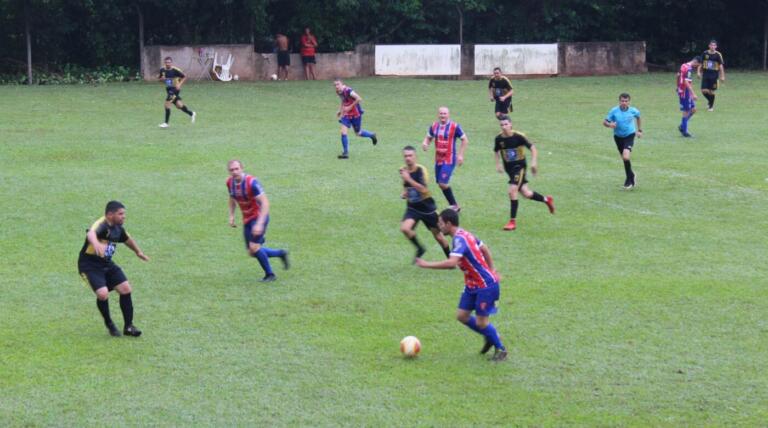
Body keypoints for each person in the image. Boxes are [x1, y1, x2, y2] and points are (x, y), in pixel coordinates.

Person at [415, 209, 508, 362]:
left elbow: (451, 264)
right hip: (472, 284)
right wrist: (492, 268)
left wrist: (426, 264)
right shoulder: (465, 234)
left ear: (448, 223)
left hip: (485, 286)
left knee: (481, 322)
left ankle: (500, 348)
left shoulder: (459, 240)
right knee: (462, 316)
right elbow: (484, 248)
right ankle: (489, 336)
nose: (439, 227)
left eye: (440, 224)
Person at [78, 201, 149, 337]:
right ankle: (109, 323)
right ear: (110, 215)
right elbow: (91, 233)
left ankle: (128, 326)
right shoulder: (101, 224)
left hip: (106, 263)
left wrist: (138, 252)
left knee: (126, 289)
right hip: (89, 265)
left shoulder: (117, 227)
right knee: (103, 294)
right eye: (120, 214)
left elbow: (127, 239)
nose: (124, 217)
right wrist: (95, 244)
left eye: (124, 214)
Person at [227, 160, 289, 282]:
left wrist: (260, 224)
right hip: (247, 219)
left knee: (254, 247)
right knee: (251, 252)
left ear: (242, 168)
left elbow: (265, 203)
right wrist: (231, 215)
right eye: (232, 170)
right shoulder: (230, 183)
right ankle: (280, 253)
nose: (234, 172)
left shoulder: (251, 183)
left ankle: (270, 275)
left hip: (259, 217)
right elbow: (231, 198)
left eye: (236, 168)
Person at [494, 115, 555, 231]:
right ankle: (547, 200)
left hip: (519, 167)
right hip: (509, 170)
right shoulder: (499, 139)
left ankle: (512, 222)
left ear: (511, 124)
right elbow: (496, 151)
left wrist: (534, 163)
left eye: (506, 124)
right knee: (526, 193)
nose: (504, 127)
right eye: (501, 125)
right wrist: (498, 164)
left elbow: (533, 148)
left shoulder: (519, 137)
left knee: (512, 190)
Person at [399, 146, 451, 259]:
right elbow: (406, 185)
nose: (408, 158)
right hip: (412, 208)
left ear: (415, 157)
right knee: (405, 228)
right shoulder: (403, 170)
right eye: (405, 156)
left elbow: (424, 189)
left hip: (427, 209)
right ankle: (420, 248)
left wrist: (409, 179)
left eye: (410, 155)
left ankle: (451, 260)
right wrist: (405, 193)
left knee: (439, 237)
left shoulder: (421, 170)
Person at [421, 107, 468, 211]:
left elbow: (465, 140)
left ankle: (454, 205)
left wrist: (460, 155)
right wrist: (425, 143)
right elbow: (428, 137)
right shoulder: (434, 126)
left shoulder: (454, 126)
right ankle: (454, 205)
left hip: (449, 159)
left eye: (445, 114)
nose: (443, 115)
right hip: (438, 159)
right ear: (438, 115)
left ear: (448, 115)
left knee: (442, 183)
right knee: (440, 183)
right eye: (441, 114)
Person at [603, 93, 642, 189]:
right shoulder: (614, 111)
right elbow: (605, 122)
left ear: (629, 102)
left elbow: (638, 117)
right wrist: (610, 125)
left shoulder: (633, 111)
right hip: (618, 137)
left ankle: (629, 181)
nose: (624, 103)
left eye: (626, 101)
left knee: (625, 156)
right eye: (622, 101)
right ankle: (631, 175)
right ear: (619, 101)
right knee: (625, 159)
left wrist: (640, 130)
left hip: (629, 135)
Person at [334, 78, 377, 159]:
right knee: (343, 132)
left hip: (355, 114)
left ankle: (372, 135)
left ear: (342, 84)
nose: (336, 86)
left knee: (358, 133)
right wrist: (340, 110)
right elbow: (343, 101)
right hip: (347, 115)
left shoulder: (348, 90)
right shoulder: (338, 92)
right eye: (335, 85)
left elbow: (359, 98)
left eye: (338, 84)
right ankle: (345, 153)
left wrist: (349, 107)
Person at [157, 56, 196, 128]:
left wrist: (179, 84)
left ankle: (166, 123)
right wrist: (161, 79)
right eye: (166, 62)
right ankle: (192, 113)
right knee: (179, 106)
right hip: (168, 90)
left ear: (171, 63)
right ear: (164, 63)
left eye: (169, 62)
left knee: (167, 105)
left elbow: (184, 76)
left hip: (175, 90)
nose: (167, 64)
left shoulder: (175, 70)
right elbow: (159, 79)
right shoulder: (162, 70)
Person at [697, 39, 725, 112]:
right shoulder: (705, 53)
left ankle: (711, 107)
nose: (713, 46)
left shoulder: (718, 55)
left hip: (714, 76)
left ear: (716, 46)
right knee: (704, 91)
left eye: (714, 45)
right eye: (711, 45)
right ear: (709, 46)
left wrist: (722, 76)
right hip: (705, 75)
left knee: (711, 92)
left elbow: (721, 66)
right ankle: (710, 101)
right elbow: (700, 64)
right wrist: (698, 72)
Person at [677, 56, 701, 138]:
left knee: (693, 110)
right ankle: (685, 132)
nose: (697, 67)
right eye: (697, 65)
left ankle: (682, 126)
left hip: (683, 90)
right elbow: (686, 82)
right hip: (685, 91)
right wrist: (693, 93)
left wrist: (677, 86)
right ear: (696, 62)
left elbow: (677, 75)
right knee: (686, 111)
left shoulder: (683, 65)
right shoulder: (689, 69)